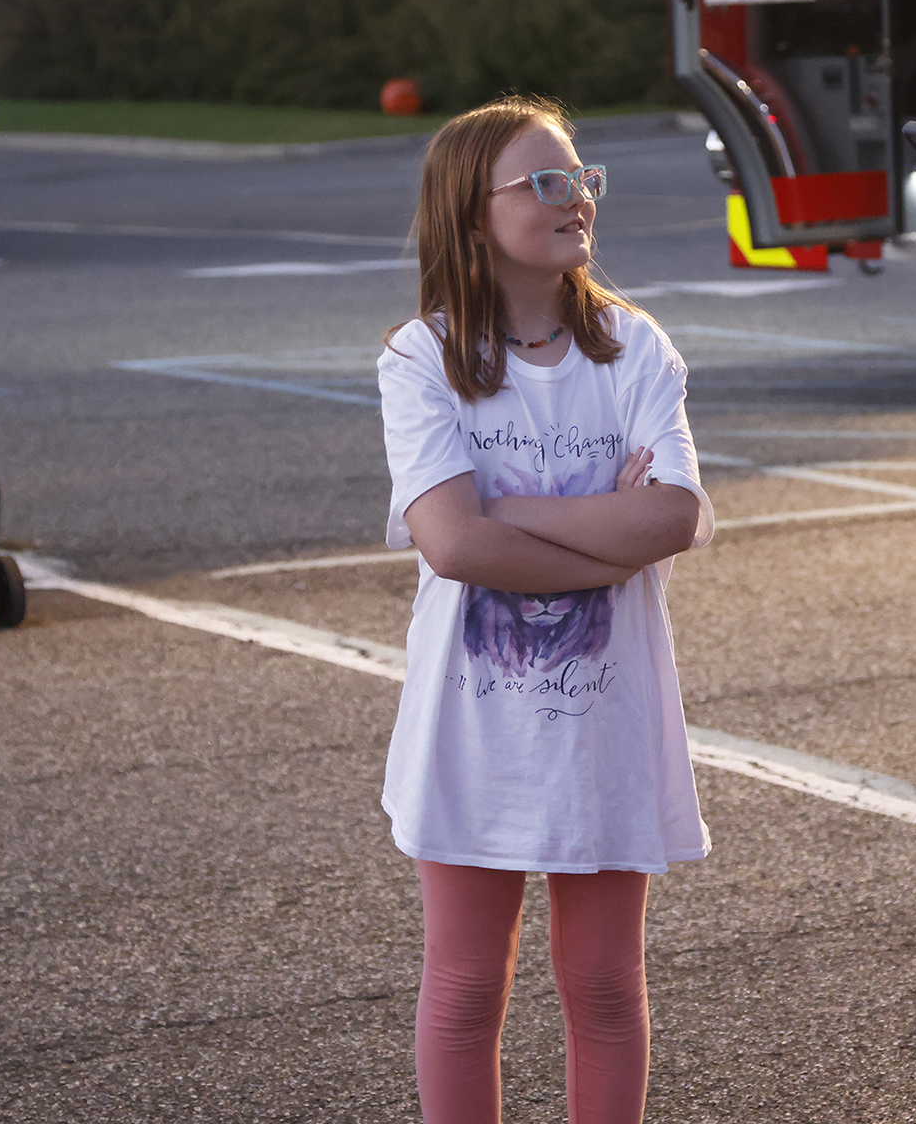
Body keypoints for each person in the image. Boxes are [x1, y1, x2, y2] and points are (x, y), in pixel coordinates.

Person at [377, 94, 715, 1124]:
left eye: (582, 178)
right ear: (472, 212)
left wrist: (512, 513)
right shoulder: (420, 357)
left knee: (606, 983)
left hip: (608, 727)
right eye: (547, 181)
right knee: (468, 983)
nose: (577, 199)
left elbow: (675, 518)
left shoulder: (631, 345)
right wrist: (600, 517)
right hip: (470, 729)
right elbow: (451, 542)